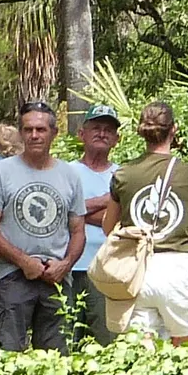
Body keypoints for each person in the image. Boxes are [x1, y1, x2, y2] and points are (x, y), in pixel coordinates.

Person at [101, 101, 188, 342]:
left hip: (136, 272)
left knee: (142, 358)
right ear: (173, 130)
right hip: (178, 269)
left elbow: (107, 227)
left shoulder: (123, 174)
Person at [0, 102, 87, 351]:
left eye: (41, 129)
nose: (34, 135)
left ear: (53, 133)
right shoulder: (1, 172)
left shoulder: (70, 175)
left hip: (56, 278)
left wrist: (66, 264)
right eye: (28, 130)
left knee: (56, 360)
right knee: (5, 356)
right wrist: (23, 261)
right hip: (13, 276)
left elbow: (78, 229)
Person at [71, 103, 122, 344]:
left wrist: (79, 211)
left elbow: (124, 219)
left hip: (109, 270)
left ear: (116, 139)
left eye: (108, 130)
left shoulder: (123, 175)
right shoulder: (67, 172)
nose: (102, 133)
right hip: (70, 266)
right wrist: (108, 199)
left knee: (107, 339)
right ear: (82, 134)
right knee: (67, 340)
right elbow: (61, 211)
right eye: (96, 128)